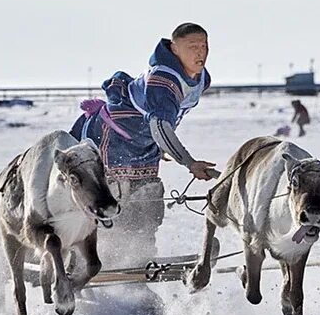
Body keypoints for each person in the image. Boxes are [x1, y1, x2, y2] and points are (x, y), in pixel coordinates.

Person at [69, 22, 216, 265]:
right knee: (112, 200)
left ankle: (139, 258)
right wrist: (189, 163)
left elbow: (168, 120)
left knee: (148, 201)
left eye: (204, 46)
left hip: (145, 144)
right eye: (192, 47)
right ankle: (95, 257)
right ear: (174, 48)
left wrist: (161, 146)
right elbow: (159, 124)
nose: (200, 53)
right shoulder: (163, 80)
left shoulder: (200, 79)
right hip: (112, 137)